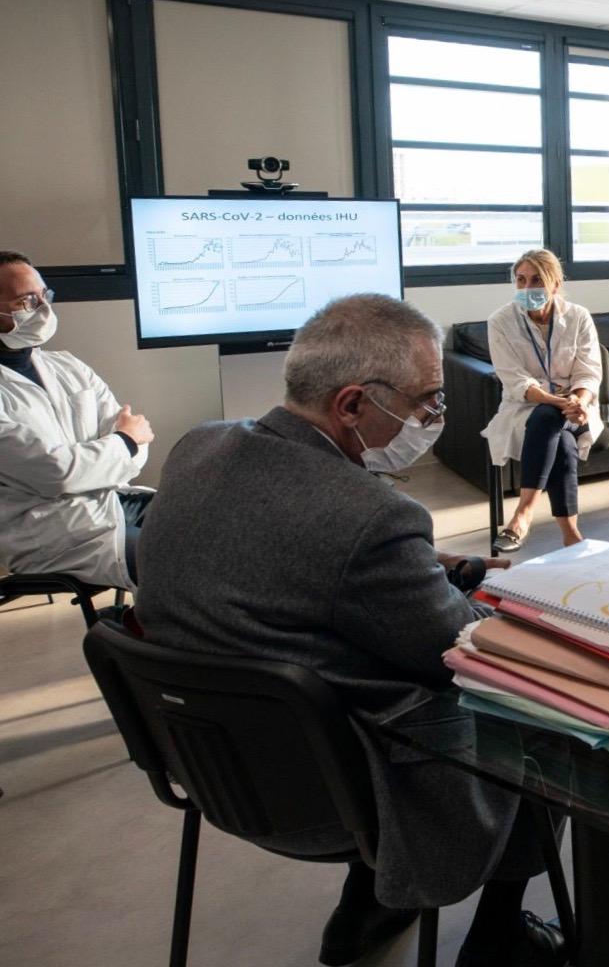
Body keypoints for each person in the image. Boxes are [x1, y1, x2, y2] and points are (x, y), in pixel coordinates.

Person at [133, 295, 564, 967]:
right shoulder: (367, 515)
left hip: (208, 762)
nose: (431, 418)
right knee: (543, 715)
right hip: (344, 789)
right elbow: (457, 649)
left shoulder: (199, 446)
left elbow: (282, 555)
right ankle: (499, 941)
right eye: (426, 400)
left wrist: (431, 565)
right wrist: (536, 610)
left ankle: (370, 907)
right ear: (353, 405)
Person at [0, 251, 154, 589]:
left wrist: (120, 447)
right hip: (55, 536)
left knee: (218, 529)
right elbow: (55, 473)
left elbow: (139, 450)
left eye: (45, 295)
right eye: (27, 301)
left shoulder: (67, 366)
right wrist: (122, 443)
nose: (44, 309)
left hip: (114, 503)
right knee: (182, 564)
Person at [481, 249, 604, 552]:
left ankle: (523, 515)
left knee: (552, 420)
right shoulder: (501, 321)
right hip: (524, 408)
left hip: (577, 408)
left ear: (555, 284)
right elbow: (515, 380)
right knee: (552, 423)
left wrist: (579, 402)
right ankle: (571, 535)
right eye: (520, 280)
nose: (527, 288)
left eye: (536, 280)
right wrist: (560, 403)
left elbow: (589, 373)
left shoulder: (578, 317)